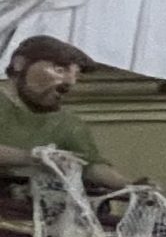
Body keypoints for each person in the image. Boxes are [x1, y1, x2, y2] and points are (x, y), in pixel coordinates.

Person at [0, 35, 129, 189]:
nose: (70, 82)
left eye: (76, 75)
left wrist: (130, 187)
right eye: (59, 70)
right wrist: (35, 157)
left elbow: (90, 166)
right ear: (19, 64)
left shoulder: (67, 123)